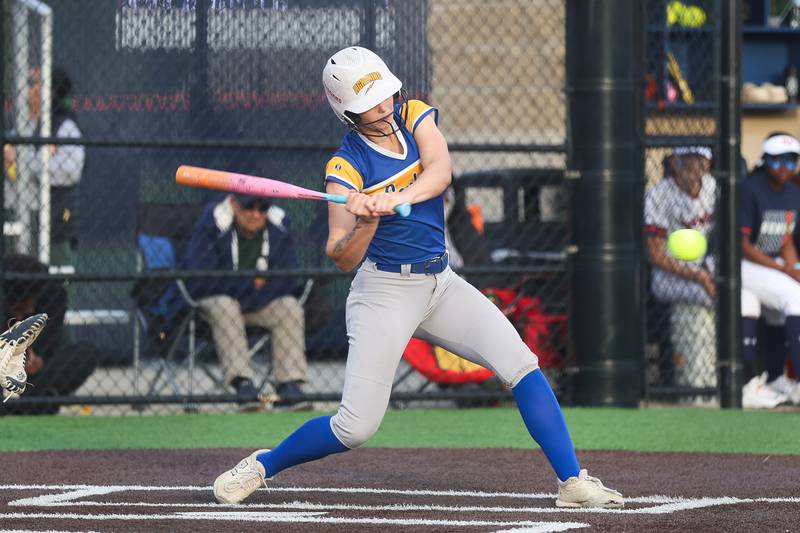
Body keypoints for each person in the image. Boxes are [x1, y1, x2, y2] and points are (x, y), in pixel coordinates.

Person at [212, 46, 623, 508]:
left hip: (440, 283)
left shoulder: (413, 115)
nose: (384, 107)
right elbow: (340, 255)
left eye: (385, 95)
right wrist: (366, 221)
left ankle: (572, 481)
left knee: (522, 365)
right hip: (384, 293)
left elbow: (441, 171)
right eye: (370, 103)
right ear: (348, 113)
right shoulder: (344, 169)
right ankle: (263, 464)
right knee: (355, 427)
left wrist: (394, 197)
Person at [182, 193, 308, 403]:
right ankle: (243, 384)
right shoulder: (212, 225)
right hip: (215, 307)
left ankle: (289, 385)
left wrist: (246, 293)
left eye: (262, 208)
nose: (255, 214)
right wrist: (251, 286)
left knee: (289, 306)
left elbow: (287, 279)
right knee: (225, 305)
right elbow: (202, 278)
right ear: (233, 204)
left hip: (257, 304)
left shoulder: (278, 228)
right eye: (249, 207)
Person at [644, 146, 717, 393]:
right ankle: (697, 383)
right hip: (669, 273)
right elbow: (656, 255)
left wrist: (706, 273)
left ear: (707, 164)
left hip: (706, 266)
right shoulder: (658, 195)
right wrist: (699, 277)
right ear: (674, 163)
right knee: (713, 296)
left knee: (739, 293)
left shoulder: (714, 188)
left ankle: (727, 374)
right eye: (687, 161)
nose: (693, 168)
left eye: (699, 161)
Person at [740, 132, 800, 407]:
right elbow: (742, 245)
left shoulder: (793, 193)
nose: (784, 168)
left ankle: (774, 379)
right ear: (765, 161)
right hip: (739, 263)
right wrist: (785, 271)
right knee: (795, 296)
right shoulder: (749, 188)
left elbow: (785, 239)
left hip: (768, 265)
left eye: (791, 161)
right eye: (777, 161)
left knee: (772, 311)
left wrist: (794, 266)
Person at [3, 67, 85, 265]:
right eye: (27, 83)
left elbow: (70, 171)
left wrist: (25, 161)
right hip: (14, 217)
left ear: (52, 91)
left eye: (35, 83)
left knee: (54, 279)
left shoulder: (64, 127)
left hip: (52, 224)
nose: (29, 88)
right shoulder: (14, 129)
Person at [0, 254, 99, 414]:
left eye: (23, 309)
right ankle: (32, 405)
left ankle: (28, 403)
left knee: (87, 351)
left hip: (34, 372)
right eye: (15, 310)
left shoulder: (53, 296)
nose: (19, 316)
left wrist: (38, 358)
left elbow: (50, 340)